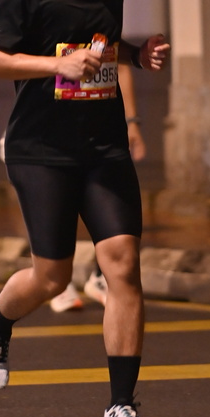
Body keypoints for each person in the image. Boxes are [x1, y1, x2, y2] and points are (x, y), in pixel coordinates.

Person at [0, 0, 170, 417]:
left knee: (122, 265)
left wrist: (135, 53)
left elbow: (97, 46)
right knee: (52, 276)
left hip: (103, 147)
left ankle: (120, 409)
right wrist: (55, 65)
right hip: (42, 151)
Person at [50, 62, 145, 312]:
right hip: (46, 137)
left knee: (116, 229)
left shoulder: (106, 37)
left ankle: (99, 276)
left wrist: (132, 121)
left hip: (100, 138)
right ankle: (58, 282)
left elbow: (120, 66)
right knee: (56, 212)